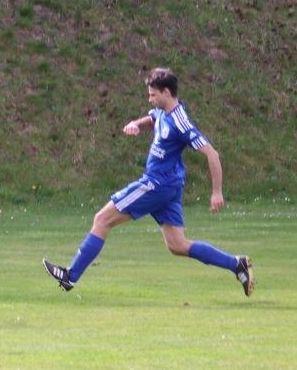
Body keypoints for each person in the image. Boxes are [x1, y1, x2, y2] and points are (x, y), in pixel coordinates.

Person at [43, 68, 254, 296]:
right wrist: (137, 124)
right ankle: (237, 264)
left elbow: (212, 154)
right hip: (169, 187)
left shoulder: (181, 122)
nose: (150, 99)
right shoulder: (163, 112)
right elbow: (152, 120)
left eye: (153, 95)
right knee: (177, 245)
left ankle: (70, 276)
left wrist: (217, 192)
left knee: (102, 219)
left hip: (156, 185)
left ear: (166, 92)